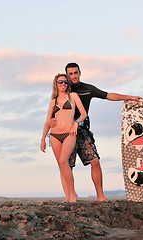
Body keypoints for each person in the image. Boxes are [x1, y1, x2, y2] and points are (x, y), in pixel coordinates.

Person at [52, 62, 143, 202]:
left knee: (94, 161)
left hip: (82, 130)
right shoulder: (62, 90)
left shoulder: (88, 89)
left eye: (75, 73)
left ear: (79, 73)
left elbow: (108, 95)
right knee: (64, 165)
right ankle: (70, 196)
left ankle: (100, 196)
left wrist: (129, 97)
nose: (73, 76)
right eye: (70, 74)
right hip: (65, 132)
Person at [40, 73, 87, 203]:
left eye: (66, 82)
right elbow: (47, 122)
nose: (63, 84)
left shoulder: (73, 96)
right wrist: (43, 139)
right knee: (61, 165)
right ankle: (67, 196)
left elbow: (83, 114)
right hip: (54, 135)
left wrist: (76, 124)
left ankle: (73, 194)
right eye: (60, 82)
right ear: (56, 84)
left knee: (63, 161)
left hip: (69, 133)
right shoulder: (53, 102)